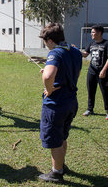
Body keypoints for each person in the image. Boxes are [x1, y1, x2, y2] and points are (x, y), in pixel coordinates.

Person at [38, 23, 82, 183]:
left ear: (50, 40)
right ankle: (61, 164)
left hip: (56, 104)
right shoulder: (75, 50)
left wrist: (48, 90)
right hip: (71, 101)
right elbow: (75, 72)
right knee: (62, 135)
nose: (44, 44)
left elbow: (48, 77)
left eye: (44, 40)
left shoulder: (55, 53)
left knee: (55, 139)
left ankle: (56, 172)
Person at [82, 25, 108, 120]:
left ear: (99, 33)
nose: (92, 34)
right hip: (91, 71)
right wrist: (75, 50)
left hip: (102, 72)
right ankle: (90, 109)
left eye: (93, 32)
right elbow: (85, 55)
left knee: (105, 92)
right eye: (91, 32)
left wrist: (104, 70)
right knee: (91, 91)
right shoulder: (91, 43)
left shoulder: (107, 44)